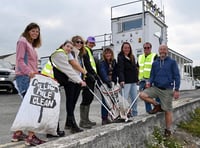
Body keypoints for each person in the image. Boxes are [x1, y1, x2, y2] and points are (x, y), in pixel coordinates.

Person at [11, 22, 45, 146]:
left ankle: (18, 133)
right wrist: (29, 72)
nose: (35, 33)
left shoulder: (30, 45)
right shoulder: (22, 42)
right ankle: (31, 137)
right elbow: (19, 60)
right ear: (27, 31)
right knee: (33, 107)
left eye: (37, 31)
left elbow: (31, 63)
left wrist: (37, 73)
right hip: (24, 77)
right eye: (33, 31)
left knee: (26, 107)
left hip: (30, 77)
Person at [139, 44, 180, 137]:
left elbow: (177, 76)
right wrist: (149, 82)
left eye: (164, 49)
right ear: (159, 51)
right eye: (161, 49)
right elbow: (152, 75)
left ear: (167, 51)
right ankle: (157, 105)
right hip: (156, 88)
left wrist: (177, 89)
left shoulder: (172, 62)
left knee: (168, 110)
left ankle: (168, 130)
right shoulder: (155, 63)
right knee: (142, 95)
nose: (162, 51)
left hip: (167, 90)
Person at [48, 40, 87, 134]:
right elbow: (68, 69)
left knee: (53, 106)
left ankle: (54, 130)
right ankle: (52, 130)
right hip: (50, 81)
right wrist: (80, 80)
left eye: (70, 47)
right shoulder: (60, 54)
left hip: (53, 82)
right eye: (67, 46)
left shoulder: (66, 54)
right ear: (63, 46)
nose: (69, 48)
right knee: (53, 106)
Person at [64, 35, 87, 133]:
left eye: (81, 42)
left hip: (77, 80)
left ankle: (68, 123)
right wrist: (85, 72)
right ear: (73, 43)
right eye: (77, 42)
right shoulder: (71, 52)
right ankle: (73, 125)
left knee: (73, 103)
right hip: (70, 80)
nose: (80, 44)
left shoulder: (79, 54)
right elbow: (74, 64)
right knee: (70, 102)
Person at [79, 36, 98, 129]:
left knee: (90, 98)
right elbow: (87, 64)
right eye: (90, 42)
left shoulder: (90, 51)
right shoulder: (85, 50)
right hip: (87, 77)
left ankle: (86, 119)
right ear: (87, 42)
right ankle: (83, 121)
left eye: (92, 43)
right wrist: (92, 74)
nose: (91, 44)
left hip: (91, 78)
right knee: (86, 98)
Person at [137, 42, 160, 114]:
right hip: (142, 81)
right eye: (145, 48)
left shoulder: (154, 56)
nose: (146, 49)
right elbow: (137, 68)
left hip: (151, 80)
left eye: (148, 47)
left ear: (151, 48)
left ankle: (158, 107)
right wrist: (137, 78)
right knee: (144, 97)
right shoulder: (140, 57)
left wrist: (150, 81)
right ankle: (149, 111)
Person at [117, 42, 138, 117]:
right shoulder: (120, 57)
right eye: (125, 47)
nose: (127, 49)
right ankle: (123, 114)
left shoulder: (132, 57)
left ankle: (135, 114)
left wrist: (137, 79)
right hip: (125, 82)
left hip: (133, 81)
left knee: (134, 99)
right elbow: (120, 70)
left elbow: (135, 69)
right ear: (122, 49)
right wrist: (122, 80)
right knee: (124, 100)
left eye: (128, 48)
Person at [99, 48, 118, 125]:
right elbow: (103, 72)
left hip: (112, 83)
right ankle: (104, 118)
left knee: (113, 100)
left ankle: (112, 116)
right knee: (105, 101)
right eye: (106, 53)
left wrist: (115, 81)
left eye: (109, 53)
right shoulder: (102, 63)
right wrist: (107, 81)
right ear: (104, 54)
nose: (108, 55)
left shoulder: (113, 62)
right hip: (104, 84)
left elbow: (115, 72)